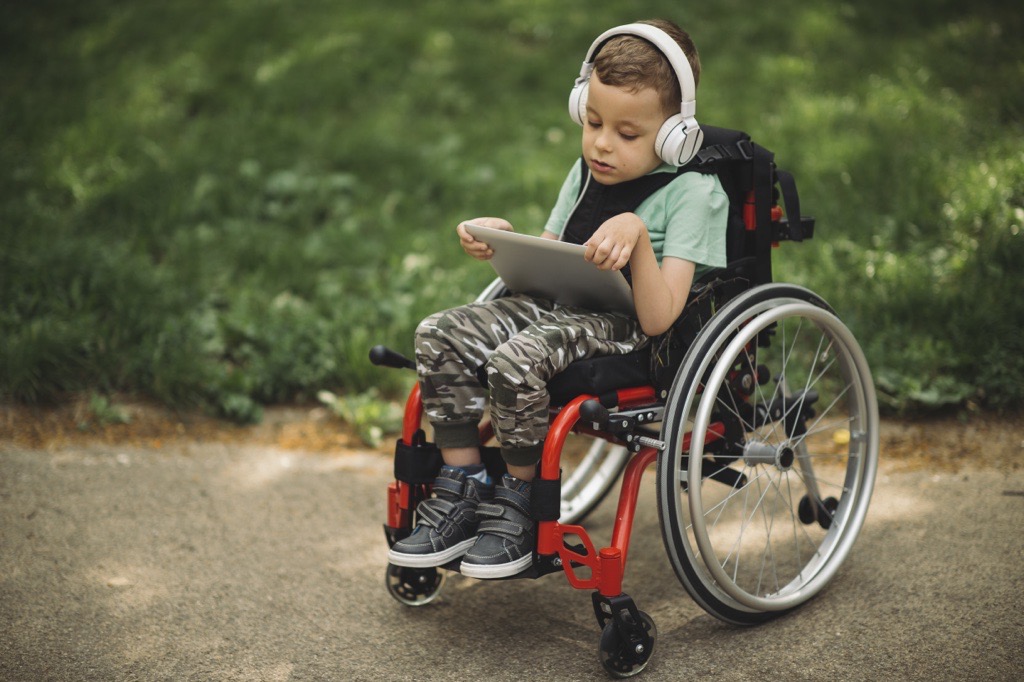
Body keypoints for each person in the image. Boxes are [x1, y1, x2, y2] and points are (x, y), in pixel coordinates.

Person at [388, 19, 728, 579]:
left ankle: (521, 498)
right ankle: (465, 484)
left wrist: (637, 239)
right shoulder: (587, 172)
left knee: (516, 360)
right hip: (556, 304)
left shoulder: (694, 193)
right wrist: (500, 240)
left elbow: (661, 316)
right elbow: (549, 258)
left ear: (673, 136)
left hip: (626, 327)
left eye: (627, 133)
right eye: (593, 122)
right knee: (437, 333)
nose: (601, 143)